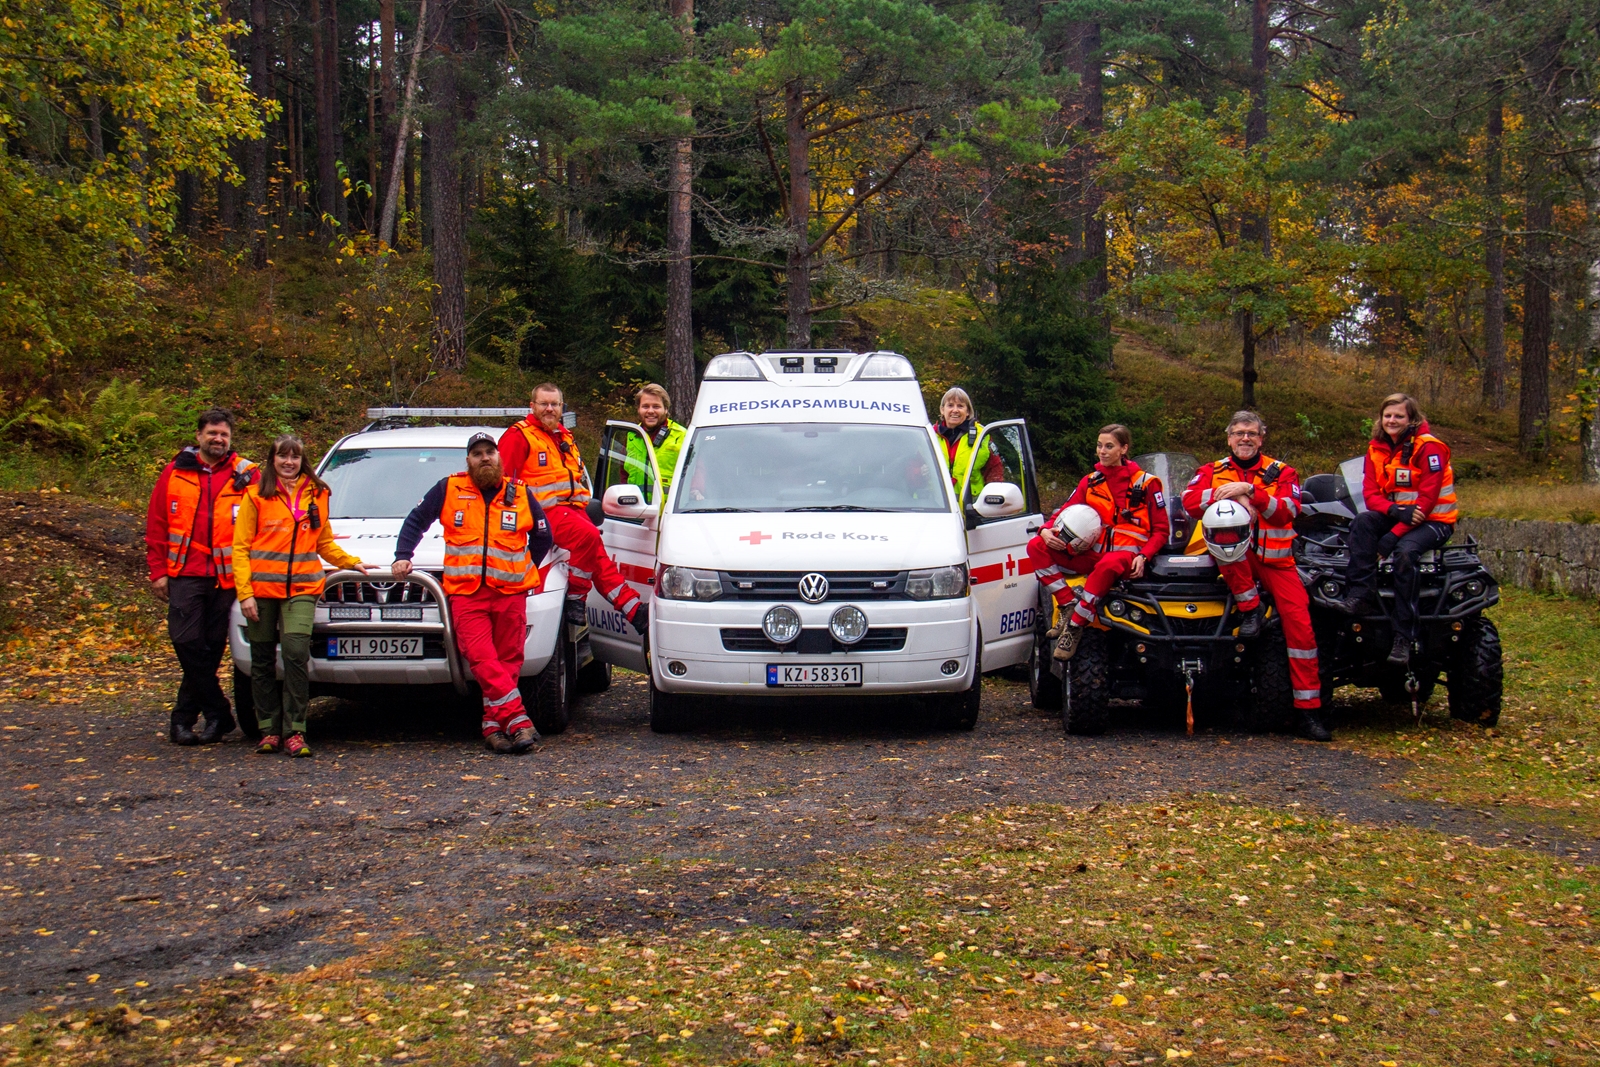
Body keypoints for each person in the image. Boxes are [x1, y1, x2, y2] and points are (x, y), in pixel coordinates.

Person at [393, 433, 555, 754]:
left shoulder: (520, 493)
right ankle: (518, 720)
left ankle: (493, 726)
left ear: (499, 457)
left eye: (490, 452)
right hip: (467, 594)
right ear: (468, 460)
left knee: (509, 661)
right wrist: (403, 554)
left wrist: (525, 567)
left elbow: (543, 535)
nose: (485, 458)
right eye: (477, 453)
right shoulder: (448, 489)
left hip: (510, 593)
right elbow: (416, 521)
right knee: (482, 659)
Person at [1182, 411, 1329, 742]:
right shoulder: (1211, 471)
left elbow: (1289, 510)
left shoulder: (1283, 472)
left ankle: (1309, 713)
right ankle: (1249, 611)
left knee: (1301, 632)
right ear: (1228, 438)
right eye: (1238, 433)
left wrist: (1252, 492)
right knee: (1227, 544)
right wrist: (1229, 495)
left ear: (1262, 438)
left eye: (1251, 433)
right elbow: (1190, 503)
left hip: (1277, 562)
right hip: (1232, 559)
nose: (1244, 438)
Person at [234, 434, 371, 758]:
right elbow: (240, 548)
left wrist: (351, 562)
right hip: (261, 590)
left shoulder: (318, 493)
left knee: (296, 652)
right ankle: (268, 729)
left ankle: (295, 730)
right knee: (263, 659)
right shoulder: (255, 496)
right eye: (283, 456)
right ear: (273, 460)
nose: (289, 462)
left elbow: (323, 542)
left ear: (302, 460)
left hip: (302, 588)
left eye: (294, 457)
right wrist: (245, 594)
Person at [145, 409, 259, 746]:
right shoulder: (175, 471)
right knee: (185, 641)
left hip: (228, 578)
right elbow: (157, 524)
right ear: (198, 436)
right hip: (185, 573)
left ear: (231, 438)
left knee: (210, 649)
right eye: (212, 433)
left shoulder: (248, 475)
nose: (218, 439)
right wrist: (158, 571)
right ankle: (218, 712)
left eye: (223, 434)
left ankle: (185, 720)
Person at [498, 383, 647, 635]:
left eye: (554, 404)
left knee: (599, 558)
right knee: (588, 537)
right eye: (544, 404)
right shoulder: (519, 435)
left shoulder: (563, 436)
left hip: (571, 509)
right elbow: (501, 482)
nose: (549, 409)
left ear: (561, 408)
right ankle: (576, 598)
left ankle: (633, 610)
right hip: (539, 513)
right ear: (532, 406)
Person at [1026, 424, 1169, 662]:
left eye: (1109, 446)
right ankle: (1067, 603)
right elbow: (1063, 511)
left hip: (1124, 560)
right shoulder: (1090, 481)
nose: (1102, 451)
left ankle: (1075, 625)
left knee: (1108, 564)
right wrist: (1045, 530)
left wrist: (1144, 557)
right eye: (1099, 445)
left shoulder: (1147, 484)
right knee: (1035, 546)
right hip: (1091, 555)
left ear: (1124, 449)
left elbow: (1161, 531)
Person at [1338, 393, 1457, 666]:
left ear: (1412, 419)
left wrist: (1391, 536)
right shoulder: (1376, 449)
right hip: (1400, 516)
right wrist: (1393, 512)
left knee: (1404, 554)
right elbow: (1370, 495)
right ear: (1381, 418)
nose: (1392, 420)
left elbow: (1425, 504)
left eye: (1399, 416)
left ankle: (1405, 634)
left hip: (1435, 522)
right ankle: (1360, 595)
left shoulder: (1430, 448)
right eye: (1388, 415)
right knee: (1363, 522)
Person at [933, 387, 1005, 500]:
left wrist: (992, 501)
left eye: (960, 406)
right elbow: (914, 468)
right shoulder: (930, 435)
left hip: (972, 506)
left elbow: (995, 470)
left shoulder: (982, 435)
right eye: (950, 405)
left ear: (967, 412)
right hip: (937, 504)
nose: (955, 410)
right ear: (942, 410)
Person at [628, 383, 687, 493]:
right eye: (645, 406)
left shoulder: (682, 436)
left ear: (665, 409)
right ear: (638, 409)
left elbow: (696, 472)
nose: (650, 411)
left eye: (656, 406)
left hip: (668, 508)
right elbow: (623, 475)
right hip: (635, 508)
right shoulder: (631, 436)